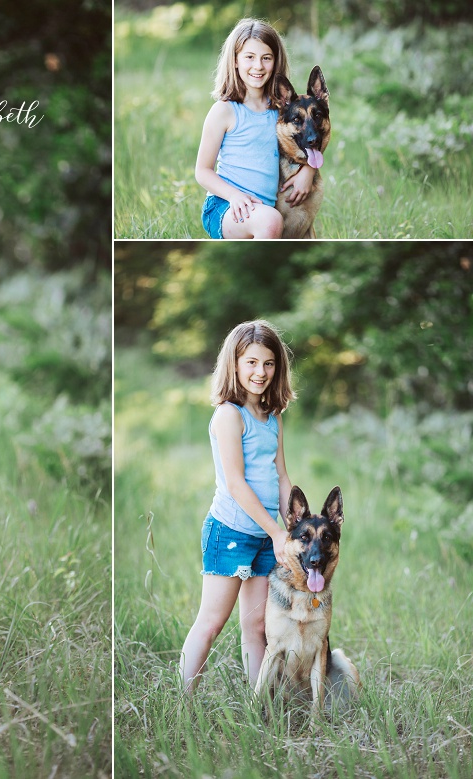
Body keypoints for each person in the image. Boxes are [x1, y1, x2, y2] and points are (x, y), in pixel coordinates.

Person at [179, 320, 295, 694]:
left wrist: (291, 523)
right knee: (212, 622)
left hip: (265, 538)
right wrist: (276, 531)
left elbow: (280, 476)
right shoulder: (229, 416)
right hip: (230, 533)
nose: (260, 372)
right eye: (251, 362)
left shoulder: (272, 417)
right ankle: (181, 699)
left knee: (256, 626)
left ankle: (258, 704)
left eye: (269, 364)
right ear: (234, 364)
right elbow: (236, 483)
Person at [195, 18, 316, 239]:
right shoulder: (224, 111)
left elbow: (311, 138)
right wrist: (234, 196)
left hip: (264, 208)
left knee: (288, 225)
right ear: (235, 61)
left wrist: (308, 171)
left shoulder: (282, 112)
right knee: (271, 221)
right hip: (224, 206)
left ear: (276, 62)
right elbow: (202, 171)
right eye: (249, 57)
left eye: (266, 58)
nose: (258, 66)